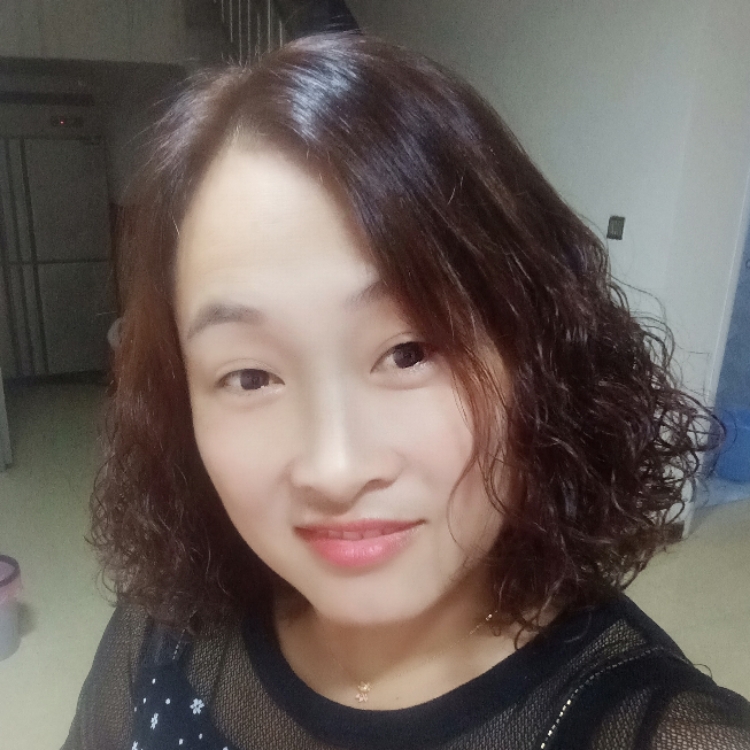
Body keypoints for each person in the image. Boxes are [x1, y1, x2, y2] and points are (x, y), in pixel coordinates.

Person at [63, 33, 750, 750]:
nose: (335, 470)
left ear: (536, 358)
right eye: (250, 376)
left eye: (409, 353)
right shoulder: (166, 632)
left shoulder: (658, 733)